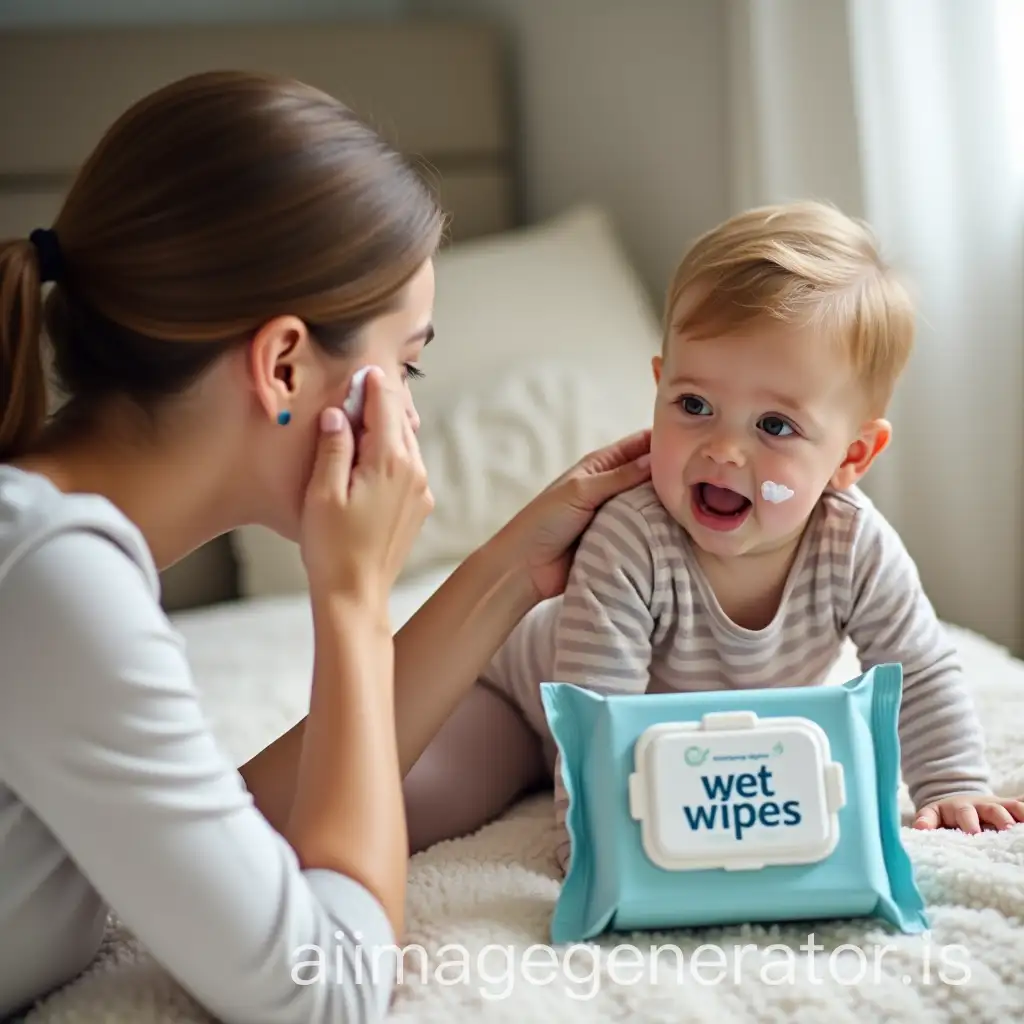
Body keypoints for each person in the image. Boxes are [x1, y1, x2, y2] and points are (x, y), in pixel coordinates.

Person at [0, 71, 653, 1023]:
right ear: (284, 365)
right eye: (405, 361)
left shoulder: (49, 552)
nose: (412, 409)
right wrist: (348, 598)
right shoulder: (51, 573)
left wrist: (511, 570)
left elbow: (220, 836)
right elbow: (327, 990)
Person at [402, 200, 1024, 870]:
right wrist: (591, 839)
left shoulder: (855, 548)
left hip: (699, 751)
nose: (724, 450)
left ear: (851, 458)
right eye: (694, 406)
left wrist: (954, 784)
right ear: (659, 386)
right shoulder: (632, 540)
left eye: (775, 426)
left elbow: (918, 669)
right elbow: (592, 711)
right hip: (522, 702)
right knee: (417, 803)